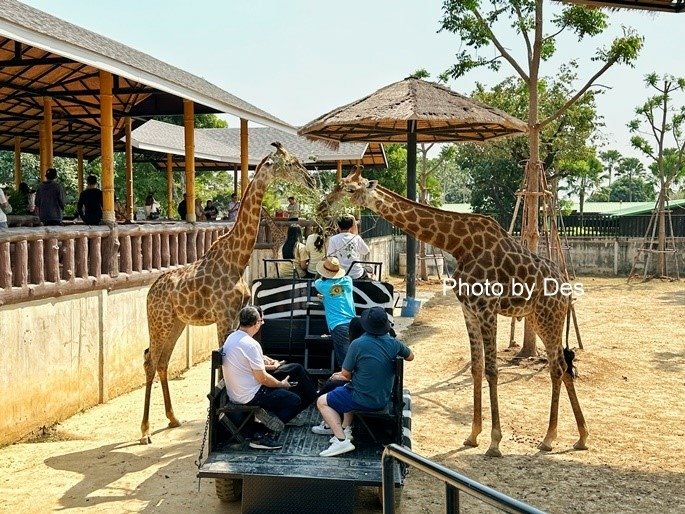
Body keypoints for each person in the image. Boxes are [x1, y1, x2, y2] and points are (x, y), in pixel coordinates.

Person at [314, 306, 414, 457]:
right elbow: (410, 356)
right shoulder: (394, 343)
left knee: (322, 401)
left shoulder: (358, 344)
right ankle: (345, 429)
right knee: (344, 390)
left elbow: (346, 375)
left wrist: (337, 375)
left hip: (364, 399)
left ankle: (341, 441)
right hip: (382, 398)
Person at [221, 306, 316, 450]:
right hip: (250, 395)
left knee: (294, 373)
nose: (262, 323)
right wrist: (281, 384)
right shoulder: (251, 344)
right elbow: (263, 378)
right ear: (256, 323)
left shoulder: (232, 337)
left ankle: (274, 417)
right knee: (294, 400)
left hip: (237, 392)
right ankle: (262, 434)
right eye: (261, 321)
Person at [314, 256, 356, 368]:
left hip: (338, 324)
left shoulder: (321, 285)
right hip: (353, 323)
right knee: (352, 356)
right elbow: (337, 293)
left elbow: (318, 279)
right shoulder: (348, 281)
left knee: (344, 361)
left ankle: (347, 383)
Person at [327, 214, 370, 279]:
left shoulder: (333, 239)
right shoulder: (356, 238)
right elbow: (366, 251)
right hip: (357, 273)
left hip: (341, 274)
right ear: (351, 226)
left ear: (338, 225)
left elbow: (330, 256)